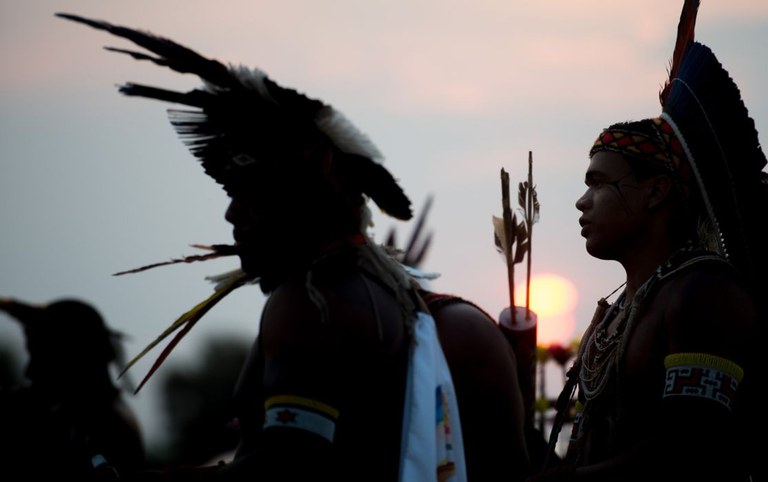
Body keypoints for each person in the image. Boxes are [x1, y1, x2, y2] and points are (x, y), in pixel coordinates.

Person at [57, 12, 531, 482]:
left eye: (250, 195)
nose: (232, 214)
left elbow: (284, 471)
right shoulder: (439, 319)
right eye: (231, 194)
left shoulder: (310, 305)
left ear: (303, 204)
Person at [531, 1, 767, 480]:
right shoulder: (622, 309)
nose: (582, 202)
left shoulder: (704, 296)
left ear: (657, 191)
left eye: (599, 184)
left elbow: (689, 453)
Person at [0, 297, 145, 480]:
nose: (30, 371)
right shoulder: (101, 416)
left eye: (44, 357)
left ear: (77, 355)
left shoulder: (101, 427)